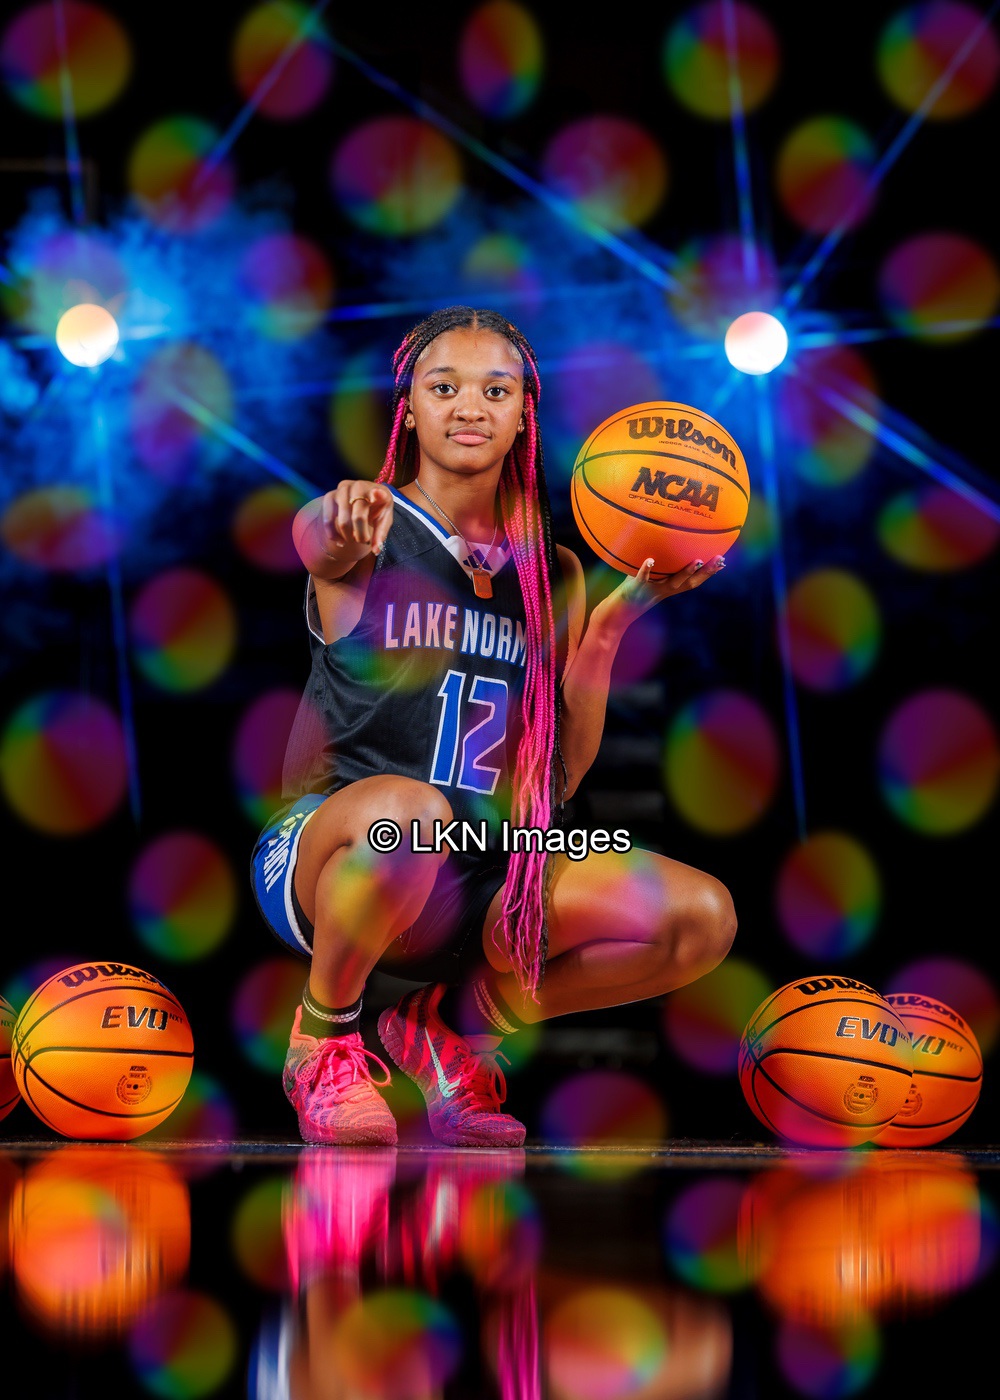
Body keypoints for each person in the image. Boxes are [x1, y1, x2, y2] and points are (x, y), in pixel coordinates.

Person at [251, 305, 736, 1148]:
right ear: (410, 409)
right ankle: (322, 1039)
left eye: (495, 390)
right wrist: (335, 515)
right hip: (333, 855)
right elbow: (317, 540)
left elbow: (560, 772)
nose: (470, 406)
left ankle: (452, 1027)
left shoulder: (553, 571)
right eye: (444, 388)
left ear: (523, 415)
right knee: (409, 815)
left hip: (478, 867)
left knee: (699, 917)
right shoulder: (369, 528)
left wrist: (612, 626)